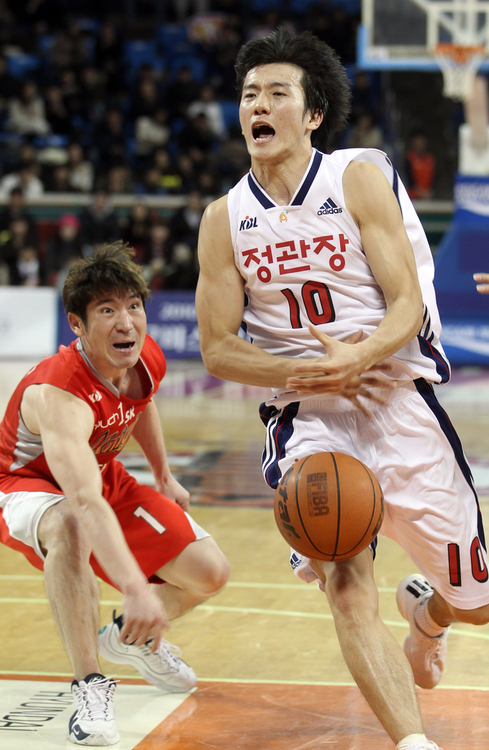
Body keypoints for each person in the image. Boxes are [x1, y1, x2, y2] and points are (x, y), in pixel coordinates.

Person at [195, 28, 489, 750]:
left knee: (478, 602)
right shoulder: (221, 219)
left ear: (312, 113)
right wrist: (303, 374)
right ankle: (411, 744)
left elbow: (405, 305)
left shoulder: (357, 177)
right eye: (247, 95)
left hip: (393, 392)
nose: (257, 106)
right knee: (345, 578)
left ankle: (430, 615)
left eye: (275, 93)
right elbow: (219, 348)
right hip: (308, 414)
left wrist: (357, 356)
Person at [0, 243, 229, 745]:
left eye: (133, 305)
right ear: (77, 325)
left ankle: (128, 636)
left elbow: (140, 404)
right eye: (107, 310)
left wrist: (164, 474)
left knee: (210, 572)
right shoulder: (59, 393)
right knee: (72, 525)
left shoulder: (143, 356)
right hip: (27, 485)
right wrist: (133, 583)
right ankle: (89, 684)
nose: (125, 321)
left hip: (100, 472)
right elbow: (80, 502)